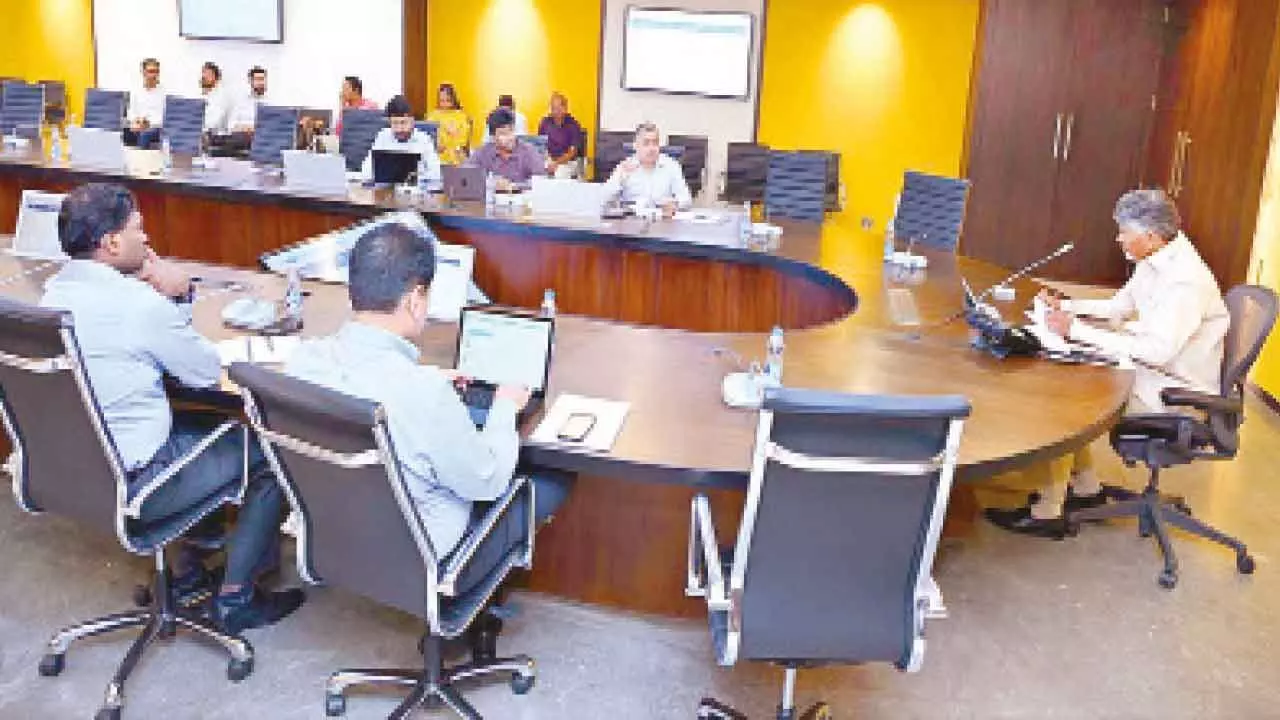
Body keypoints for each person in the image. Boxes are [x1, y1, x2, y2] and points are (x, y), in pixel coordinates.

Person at [40, 183, 306, 633]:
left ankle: (187, 572)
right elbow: (203, 372)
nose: (146, 239)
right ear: (111, 243)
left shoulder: (51, 300)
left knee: (205, 425)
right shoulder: (136, 305)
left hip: (74, 473)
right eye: (138, 230)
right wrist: (179, 294)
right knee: (269, 448)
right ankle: (235, 597)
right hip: (141, 481)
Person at [285, 223, 574, 582]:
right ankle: (457, 600)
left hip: (332, 537)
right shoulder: (423, 393)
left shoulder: (303, 361)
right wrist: (503, 408)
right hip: (414, 558)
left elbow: (369, 382)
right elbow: (487, 481)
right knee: (549, 483)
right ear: (414, 300)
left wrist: (423, 378)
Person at [984, 189, 1230, 538]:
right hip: (1152, 373)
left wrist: (1078, 332)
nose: (1118, 239)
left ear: (1149, 236)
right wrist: (1066, 308)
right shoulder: (1156, 258)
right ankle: (1085, 490)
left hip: (1176, 391)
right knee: (1075, 380)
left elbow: (1157, 350)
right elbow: (1118, 308)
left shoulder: (1185, 281)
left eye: (1123, 232)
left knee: (1071, 400)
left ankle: (1047, 512)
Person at [603, 121, 693, 217]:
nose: (651, 148)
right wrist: (621, 178)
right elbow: (604, 200)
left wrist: (675, 204)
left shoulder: (671, 166)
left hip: (663, 223)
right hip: (632, 222)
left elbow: (687, 199)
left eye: (655, 143)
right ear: (636, 146)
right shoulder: (625, 166)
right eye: (646, 143)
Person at [360, 95, 442, 185]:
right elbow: (366, 171)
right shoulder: (383, 136)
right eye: (395, 123)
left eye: (403, 123)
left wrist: (417, 178)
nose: (400, 129)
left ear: (412, 121)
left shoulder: (423, 139)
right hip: (385, 192)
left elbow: (436, 174)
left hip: (415, 193)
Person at [465, 108, 546, 191]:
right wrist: (493, 183)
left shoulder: (529, 151)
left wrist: (514, 186)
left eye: (511, 131)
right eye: (503, 133)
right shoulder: (483, 152)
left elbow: (541, 181)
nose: (510, 137)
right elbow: (465, 176)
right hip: (493, 201)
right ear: (493, 137)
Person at [537, 92, 584, 179]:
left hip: (568, 162)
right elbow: (541, 146)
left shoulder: (573, 125)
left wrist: (556, 163)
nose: (557, 110)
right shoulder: (545, 122)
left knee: (559, 174)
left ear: (566, 108)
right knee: (536, 173)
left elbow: (572, 152)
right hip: (549, 159)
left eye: (560, 107)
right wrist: (548, 160)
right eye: (554, 108)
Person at [124, 57, 165, 149]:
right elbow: (131, 113)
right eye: (150, 71)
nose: (154, 75)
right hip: (139, 125)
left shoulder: (163, 92)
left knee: (145, 134)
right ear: (143, 72)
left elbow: (164, 117)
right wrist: (137, 121)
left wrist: (148, 124)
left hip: (156, 128)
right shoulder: (136, 91)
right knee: (124, 131)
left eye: (156, 71)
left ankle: (142, 161)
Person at [426, 83, 470, 165]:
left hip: (456, 157)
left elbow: (463, 141)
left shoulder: (461, 116)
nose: (445, 104)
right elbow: (428, 137)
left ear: (453, 100)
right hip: (436, 157)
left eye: (448, 100)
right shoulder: (432, 116)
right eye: (442, 101)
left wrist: (453, 134)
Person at [227, 66, 269, 133]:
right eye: (258, 79)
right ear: (250, 81)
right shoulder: (241, 102)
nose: (261, 83)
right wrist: (246, 128)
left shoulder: (270, 102)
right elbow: (230, 126)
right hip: (244, 139)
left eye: (263, 79)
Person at [199, 61, 232, 134]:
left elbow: (214, 123)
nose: (204, 76)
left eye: (208, 74)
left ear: (217, 78)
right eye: (203, 73)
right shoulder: (202, 95)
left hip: (215, 136)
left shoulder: (222, 97)